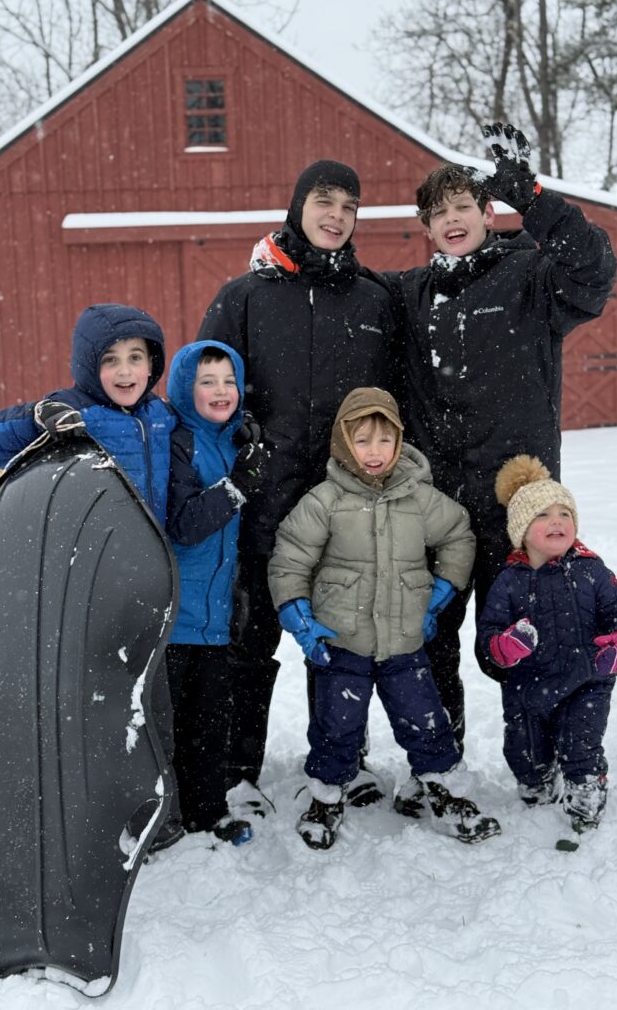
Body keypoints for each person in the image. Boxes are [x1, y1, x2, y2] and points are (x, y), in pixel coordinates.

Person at [372, 121, 617, 816]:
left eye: (464, 207)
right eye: (437, 212)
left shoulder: (531, 276)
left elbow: (593, 267)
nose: (451, 220)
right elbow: (344, 307)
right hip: (437, 509)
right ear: (425, 227)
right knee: (428, 643)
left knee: (541, 643)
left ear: (487, 214)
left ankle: (561, 764)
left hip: (518, 506)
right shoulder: (409, 296)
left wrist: (531, 196)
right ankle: (437, 767)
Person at [197, 159, 397, 812]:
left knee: (337, 647)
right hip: (260, 508)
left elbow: (396, 404)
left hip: (343, 512)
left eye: (349, 203)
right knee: (249, 648)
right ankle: (236, 772)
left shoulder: (373, 301)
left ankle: (342, 763)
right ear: (297, 206)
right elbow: (205, 395)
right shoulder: (245, 297)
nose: (336, 214)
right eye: (324, 199)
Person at [0, 302, 184, 852]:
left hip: (149, 586)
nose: (125, 371)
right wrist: (36, 417)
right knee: (102, 709)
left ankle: (162, 811)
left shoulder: (160, 417)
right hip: (88, 590)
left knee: (153, 704)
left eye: (136, 357)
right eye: (110, 360)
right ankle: (101, 811)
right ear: (89, 367)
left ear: (152, 363)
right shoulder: (73, 410)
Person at [268, 387, 501, 850]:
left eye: (384, 440)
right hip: (340, 641)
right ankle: (326, 798)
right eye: (362, 441)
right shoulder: (325, 500)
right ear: (342, 444)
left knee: (426, 721)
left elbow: (459, 534)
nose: (374, 452)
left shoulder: (419, 498)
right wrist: (297, 615)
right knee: (336, 728)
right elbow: (289, 557)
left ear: (398, 442)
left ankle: (444, 791)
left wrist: (439, 593)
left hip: (405, 641)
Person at [476, 454, 617, 837]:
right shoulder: (508, 581)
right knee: (524, 752)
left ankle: (586, 787)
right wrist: (505, 647)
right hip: (526, 686)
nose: (557, 521)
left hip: (587, 679)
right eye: (543, 515)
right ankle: (536, 779)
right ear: (521, 530)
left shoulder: (593, 570)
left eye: (564, 514)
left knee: (580, 744)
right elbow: (489, 635)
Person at [164, 339, 267, 845]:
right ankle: (165, 818)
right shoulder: (176, 443)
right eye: (207, 381)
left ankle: (208, 812)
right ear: (186, 388)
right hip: (174, 615)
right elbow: (184, 525)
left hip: (217, 615)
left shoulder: (236, 441)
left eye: (229, 380)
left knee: (211, 723)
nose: (221, 390)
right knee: (170, 726)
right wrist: (237, 483)